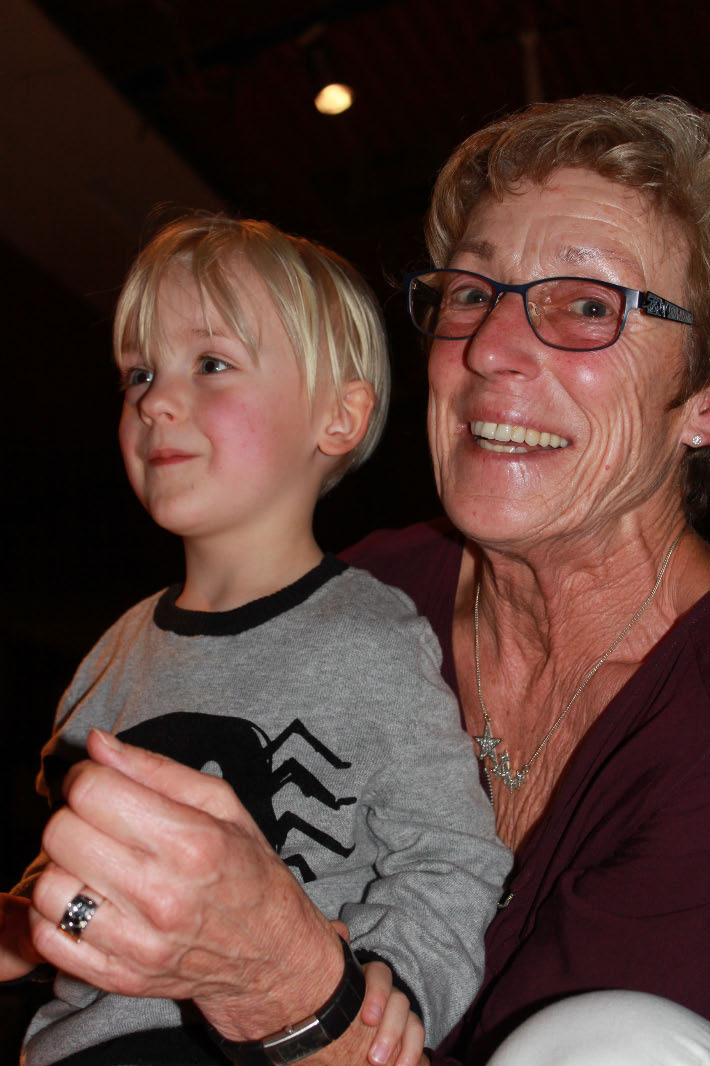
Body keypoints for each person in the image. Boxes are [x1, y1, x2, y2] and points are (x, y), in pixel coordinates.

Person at [5, 91, 710, 1066]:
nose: (487, 350)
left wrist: (280, 984)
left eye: (588, 306)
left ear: (700, 401)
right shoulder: (365, 585)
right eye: (470, 294)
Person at [0, 214, 511, 1064]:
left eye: (211, 364)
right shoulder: (112, 655)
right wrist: (26, 924)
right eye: (139, 373)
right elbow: (73, 869)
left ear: (338, 417)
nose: (154, 401)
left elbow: (450, 856)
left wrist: (389, 984)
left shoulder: (370, 638)